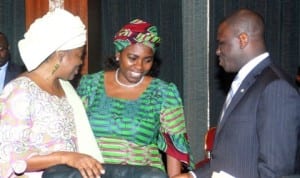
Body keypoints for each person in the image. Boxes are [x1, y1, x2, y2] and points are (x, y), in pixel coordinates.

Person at [174, 8, 300, 178]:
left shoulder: (276, 87)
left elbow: (275, 171)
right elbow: (227, 160)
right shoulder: (247, 82)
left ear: (242, 40)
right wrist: (192, 176)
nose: (218, 51)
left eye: (222, 43)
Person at [76, 19, 194, 177]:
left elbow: (174, 147)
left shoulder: (164, 92)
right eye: (132, 58)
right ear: (118, 54)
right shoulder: (90, 85)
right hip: (94, 174)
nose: (139, 67)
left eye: (147, 60)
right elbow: (73, 132)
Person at [0, 9, 105, 178]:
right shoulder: (20, 91)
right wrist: (65, 157)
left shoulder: (66, 88)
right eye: (79, 55)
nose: (80, 61)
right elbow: (10, 157)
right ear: (61, 56)